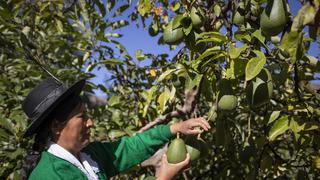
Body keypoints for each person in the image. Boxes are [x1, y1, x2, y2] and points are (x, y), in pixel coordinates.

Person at [22, 78, 211, 180]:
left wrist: (175, 128)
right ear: (56, 126)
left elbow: (129, 147)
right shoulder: (48, 175)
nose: (90, 123)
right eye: (82, 117)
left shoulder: (89, 154)